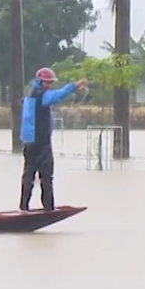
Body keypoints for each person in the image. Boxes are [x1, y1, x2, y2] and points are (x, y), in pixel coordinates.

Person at [20, 67, 87, 211]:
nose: (50, 86)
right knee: (46, 177)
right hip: (41, 143)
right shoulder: (43, 96)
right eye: (47, 83)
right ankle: (49, 209)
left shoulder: (28, 96)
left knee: (28, 175)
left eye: (51, 83)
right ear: (40, 82)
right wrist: (74, 86)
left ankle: (23, 207)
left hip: (28, 142)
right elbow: (58, 95)